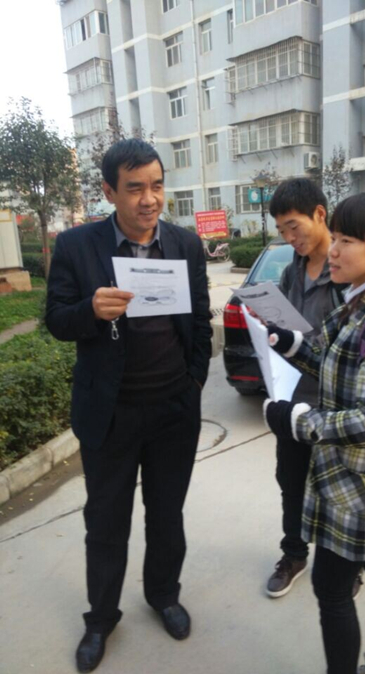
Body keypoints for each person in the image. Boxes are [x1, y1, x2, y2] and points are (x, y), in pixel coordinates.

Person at [45, 139, 212, 673]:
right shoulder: (76, 246)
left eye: (157, 185)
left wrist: (193, 382)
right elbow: (56, 320)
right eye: (135, 187)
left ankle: (163, 595)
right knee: (106, 521)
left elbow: (200, 320)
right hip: (110, 413)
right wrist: (91, 310)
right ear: (108, 191)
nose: (149, 199)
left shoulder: (185, 245)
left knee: (167, 514)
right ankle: (100, 618)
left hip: (173, 411)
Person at [264, 194, 365, 674]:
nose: (332, 251)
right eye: (334, 238)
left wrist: (296, 422)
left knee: (333, 587)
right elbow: (335, 364)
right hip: (353, 478)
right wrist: (290, 343)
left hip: (360, 484)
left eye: (346, 241)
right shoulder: (360, 301)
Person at [265, 179, 348, 598]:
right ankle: (294, 554)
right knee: (291, 482)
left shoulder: (345, 270)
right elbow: (283, 328)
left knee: (338, 492)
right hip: (293, 399)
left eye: (293, 226)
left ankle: (346, 567)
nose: (289, 238)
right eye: (281, 230)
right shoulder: (291, 272)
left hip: (335, 408)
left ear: (319, 214)